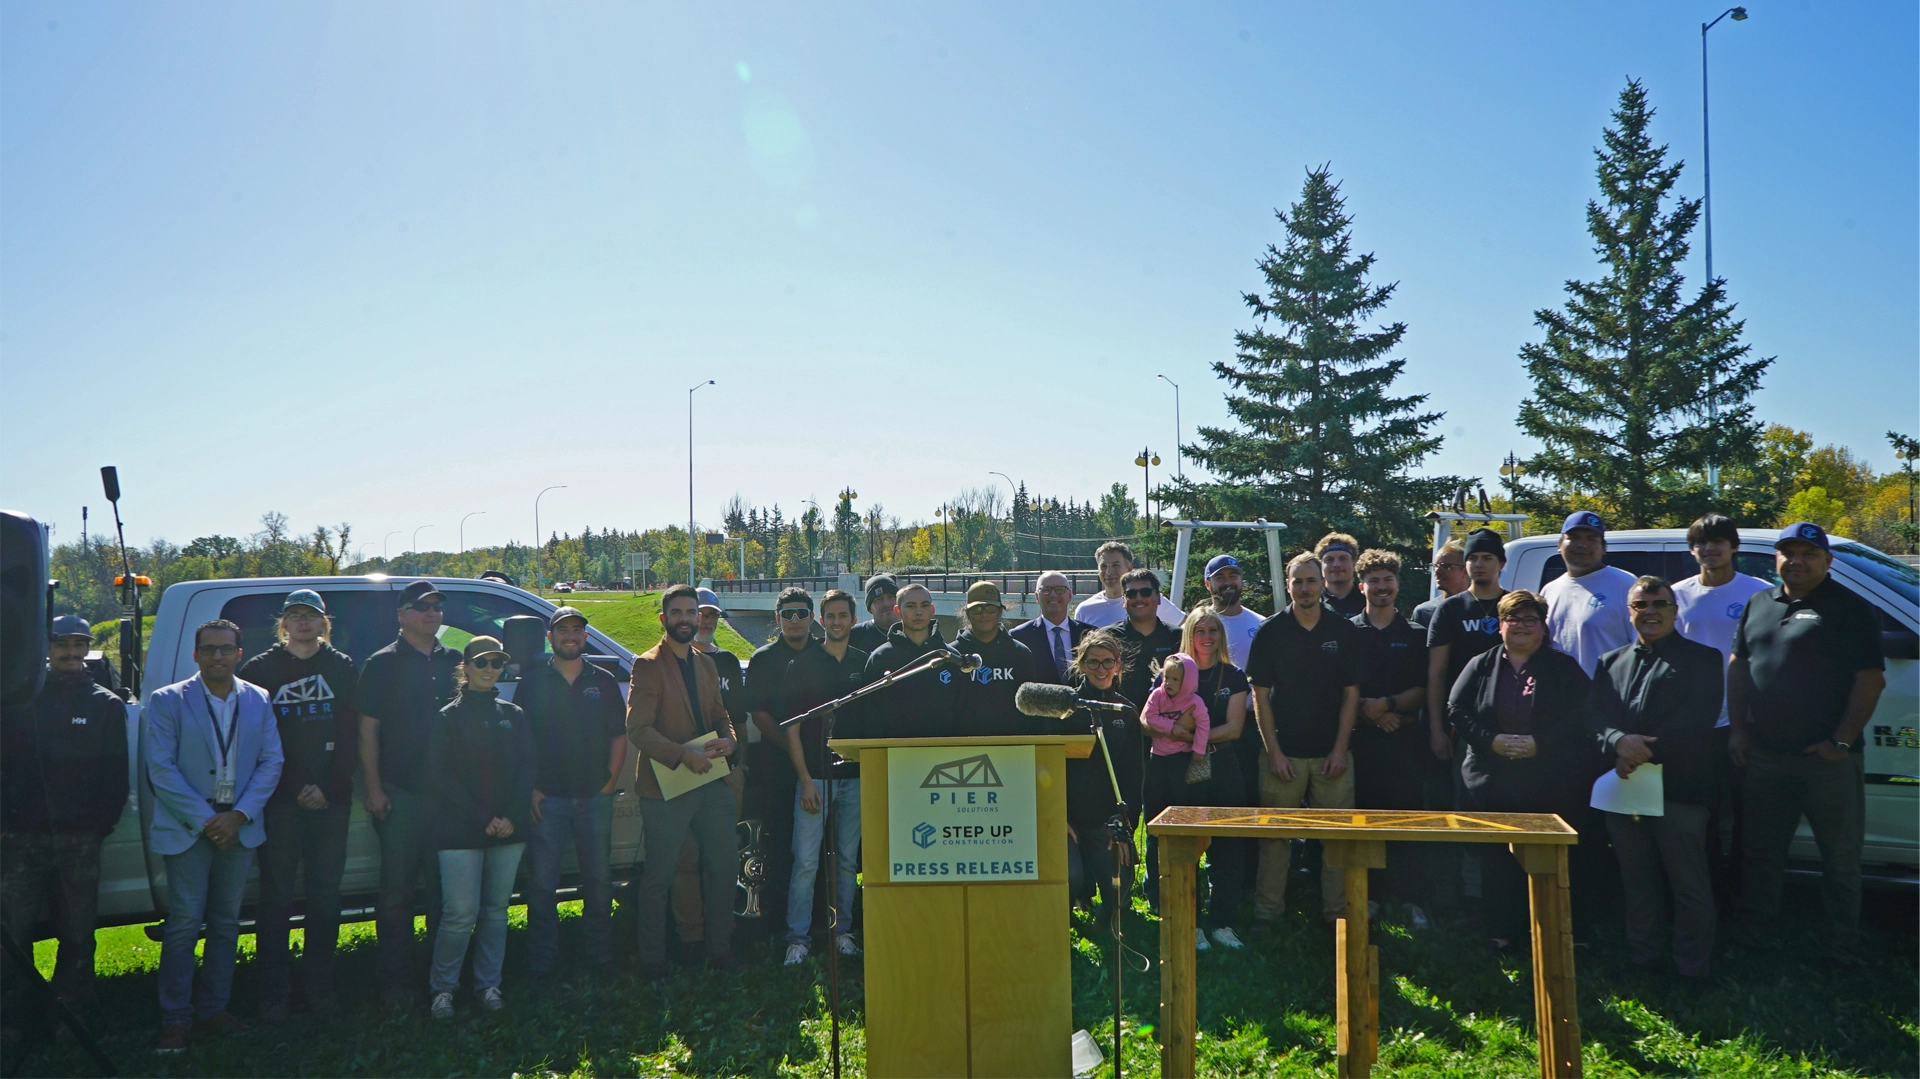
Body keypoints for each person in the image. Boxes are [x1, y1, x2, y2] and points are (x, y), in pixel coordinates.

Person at [1728, 523, 1887, 965]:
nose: (1795, 561)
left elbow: (1870, 679)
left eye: (1807, 554)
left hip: (1827, 760)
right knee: (1760, 855)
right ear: (1775, 558)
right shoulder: (1759, 603)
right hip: (1765, 757)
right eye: (1787, 553)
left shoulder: (1850, 608)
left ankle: (1840, 946)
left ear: (1827, 560)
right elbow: (1739, 666)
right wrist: (1740, 729)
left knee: (1840, 860)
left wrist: (1841, 740)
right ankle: (1754, 936)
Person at [143, 619, 283, 1053]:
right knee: (184, 925)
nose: (217, 656)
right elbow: (161, 770)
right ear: (196, 655)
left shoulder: (258, 698)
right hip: (191, 827)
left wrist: (239, 815)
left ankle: (214, 1010)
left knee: (226, 923)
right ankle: (176, 1019)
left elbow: (271, 762)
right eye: (209, 649)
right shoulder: (167, 701)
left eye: (226, 649)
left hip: (238, 827)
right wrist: (208, 820)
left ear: (239, 654)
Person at [1587, 576, 1723, 981]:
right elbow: (1593, 717)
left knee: (1688, 885)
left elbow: (1699, 718)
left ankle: (1692, 970)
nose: (1649, 612)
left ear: (1674, 609)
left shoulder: (1703, 658)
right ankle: (1643, 961)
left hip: (1679, 788)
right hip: (1624, 787)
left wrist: (1641, 751)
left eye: (1659, 604)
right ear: (1629, 612)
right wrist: (1617, 742)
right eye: (1639, 605)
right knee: (1637, 881)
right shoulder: (1611, 662)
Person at [0, 616, 128, 1034]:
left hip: (79, 841)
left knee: (77, 934)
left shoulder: (105, 704)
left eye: (79, 644)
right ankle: (14, 1018)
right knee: (12, 937)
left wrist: (96, 829)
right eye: (61, 645)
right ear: (45, 649)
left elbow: (116, 779)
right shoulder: (20, 701)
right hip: (21, 841)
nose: (71, 652)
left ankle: (69, 1016)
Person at [235, 590, 358, 1021]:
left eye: (311, 616)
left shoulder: (341, 668)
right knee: (276, 900)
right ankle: (274, 994)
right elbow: (255, 741)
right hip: (280, 802)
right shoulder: (260, 670)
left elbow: (351, 737)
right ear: (283, 624)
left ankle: (321, 990)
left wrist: (326, 786)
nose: (303, 622)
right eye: (295, 616)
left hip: (332, 799)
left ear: (324, 623)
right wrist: (297, 785)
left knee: (326, 898)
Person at [1448, 591, 1594, 949]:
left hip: (1549, 780)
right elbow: (1456, 709)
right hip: (1493, 779)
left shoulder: (1563, 668)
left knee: (1551, 859)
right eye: (1513, 619)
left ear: (1543, 628)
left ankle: (1558, 934)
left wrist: (1540, 742)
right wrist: (1490, 740)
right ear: (1500, 626)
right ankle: (1500, 934)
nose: (1521, 627)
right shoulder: (1481, 664)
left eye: (1531, 620)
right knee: (1496, 861)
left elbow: (1583, 716)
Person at [627, 584, 741, 981]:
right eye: (677, 612)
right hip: (666, 783)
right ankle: (653, 960)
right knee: (660, 875)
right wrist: (682, 755)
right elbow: (637, 729)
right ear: (664, 619)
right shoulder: (647, 665)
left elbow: (719, 714)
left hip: (710, 779)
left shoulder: (707, 663)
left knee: (725, 865)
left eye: (691, 612)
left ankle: (719, 949)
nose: (685, 619)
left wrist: (730, 739)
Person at [357, 579, 462, 1006]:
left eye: (437, 606)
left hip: (450, 799)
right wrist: (374, 788)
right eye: (422, 607)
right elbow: (368, 731)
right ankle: (396, 985)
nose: (432, 613)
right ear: (401, 615)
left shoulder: (456, 660)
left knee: (445, 895)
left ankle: (442, 984)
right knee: (397, 895)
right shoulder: (381, 664)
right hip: (401, 796)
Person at [425, 637, 534, 1019]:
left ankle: (488, 985)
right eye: (483, 662)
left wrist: (509, 816)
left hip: (509, 828)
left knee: (495, 912)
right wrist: (483, 816)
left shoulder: (514, 713)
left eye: (497, 663)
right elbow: (441, 777)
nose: (490, 669)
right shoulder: (447, 717)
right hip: (459, 830)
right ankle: (443, 990)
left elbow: (526, 769)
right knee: (459, 913)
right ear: (465, 667)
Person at [1248, 553, 1360, 924]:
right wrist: (1274, 753)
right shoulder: (1270, 632)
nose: (1305, 588)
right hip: (1284, 756)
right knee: (1275, 840)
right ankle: (1268, 914)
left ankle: (1336, 916)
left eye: (1312, 581)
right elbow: (1260, 697)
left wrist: (1340, 750)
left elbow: (1351, 695)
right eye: (1298, 581)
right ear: (1287, 585)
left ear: (1323, 583)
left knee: (1337, 841)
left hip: (1333, 756)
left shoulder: (1343, 631)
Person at [516, 606, 627, 980]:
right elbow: (518, 742)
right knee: (543, 884)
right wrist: (529, 788)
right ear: (550, 638)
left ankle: (600, 957)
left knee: (598, 881)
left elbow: (618, 735)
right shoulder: (530, 684)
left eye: (578, 630)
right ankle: (542, 964)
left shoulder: (605, 682)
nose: (571, 636)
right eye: (563, 630)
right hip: (547, 799)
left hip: (595, 796)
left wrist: (610, 782)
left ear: (585, 636)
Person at [1672, 513, 1771, 895]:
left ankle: (1745, 891)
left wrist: (1746, 720)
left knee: (1748, 814)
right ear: (1691, 549)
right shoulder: (1678, 595)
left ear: (1734, 547)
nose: (1709, 548)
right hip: (1697, 724)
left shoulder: (1757, 592)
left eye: (1718, 541)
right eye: (1701, 542)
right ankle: (1709, 891)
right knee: (1704, 814)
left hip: (1744, 718)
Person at [1143, 609, 1253, 949]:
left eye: (1214, 630)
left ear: (1221, 636)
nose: (1207, 636)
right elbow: (1147, 720)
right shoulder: (1170, 672)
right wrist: (1177, 733)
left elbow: (1234, 728)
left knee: (1229, 845)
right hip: (1174, 770)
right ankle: (1185, 920)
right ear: (1188, 634)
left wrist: (1191, 737)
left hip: (1220, 766)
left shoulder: (1233, 675)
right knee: (1179, 845)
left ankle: (1221, 922)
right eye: (1200, 630)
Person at [779, 589, 869, 965]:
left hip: (854, 779)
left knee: (848, 861)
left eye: (843, 615)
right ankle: (797, 939)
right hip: (814, 779)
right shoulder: (802, 665)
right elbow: (793, 730)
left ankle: (842, 933)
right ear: (821, 619)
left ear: (852, 619)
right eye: (829, 616)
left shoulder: (864, 664)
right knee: (806, 862)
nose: (836, 622)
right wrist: (804, 780)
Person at [1347, 550, 1433, 928]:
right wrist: (1372, 711)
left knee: (1407, 820)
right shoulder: (1347, 632)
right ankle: (1369, 897)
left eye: (1388, 580)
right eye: (1374, 581)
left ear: (1398, 584)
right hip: (1361, 743)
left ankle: (1412, 900)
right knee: (1364, 820)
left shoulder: (1415, 634)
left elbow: (1425, 687)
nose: (1381, 587)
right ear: (1361, 585)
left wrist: (1389, 706)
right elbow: (1342, 687)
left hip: (1405, 741)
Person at [740, 586, 820, 941]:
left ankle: (819, 918)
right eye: (788, 614)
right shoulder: (763, 658)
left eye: (802, 613)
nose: (795, 620)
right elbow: (758, 714)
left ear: (812, 617)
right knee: (779, 845)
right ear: (777, 619)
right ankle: (775, 923)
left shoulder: (825, 654)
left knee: (818, 848)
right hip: (777, 768)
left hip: (820, 767)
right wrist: (793, 749)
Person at [1057, 629, 1135, 918]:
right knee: (1071, 880)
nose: (1100, 669)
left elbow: (1132, 777)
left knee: (1121, 900)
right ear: (1081, 665)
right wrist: (1058, 816)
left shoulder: (1126, 712)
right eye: (1092, 662)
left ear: (1117, 664)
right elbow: (1047, 769)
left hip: (1107, 823)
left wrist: (1124, 828)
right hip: (1068, 820)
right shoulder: (1064, 710)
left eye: (1107, 662)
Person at [1426, 528, 1509, 765]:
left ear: (1501, 562)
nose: (1479, 564)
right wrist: (1436, 729)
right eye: (1472, 558)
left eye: (1487, 558)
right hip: (1460, 720)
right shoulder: (1449, 610)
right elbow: (1436, 673)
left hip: (1507, 719)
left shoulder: (1513, 606)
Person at [1540, 511, 1637, 676]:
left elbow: (1642, 647)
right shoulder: (1549, 590)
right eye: (1574, 537)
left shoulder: (1626, 585)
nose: (1582, 544)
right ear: (1560, 544)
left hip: (1609, 695)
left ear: (1604, 547)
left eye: (1591, 539)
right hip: (1561, 695)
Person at [863, 584, 966, 738]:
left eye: (924, 606)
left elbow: (962, 711)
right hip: (893, 754)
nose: (918, 612)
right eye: (911, 606)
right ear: (898, 611)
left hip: (944, 753)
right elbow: (870, 714)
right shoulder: (881, 658)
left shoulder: (951, 657)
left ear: (932, 609)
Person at [955, 581, 1048, 736]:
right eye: (977, 609)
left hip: (1012, 748)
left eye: (990, 608)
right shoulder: (953, 654)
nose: (984, 614)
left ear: (1000, 611)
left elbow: (1033, 711)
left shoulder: (1020, 653)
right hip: (963, 747)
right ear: (967, 613)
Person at [1075, 541, 1183, 628]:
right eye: (1103, 566)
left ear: (1129, 568)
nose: (1108, 572)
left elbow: (1185, 624)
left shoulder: (1148, 599)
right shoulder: (1085, 609)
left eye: (1115, 565)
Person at [1011, 570, 1094, 683]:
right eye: (1046, 590)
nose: (1053, 595)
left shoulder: (1090, 634)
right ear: (1036, 596)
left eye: (1060, 589)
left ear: (1070, 595)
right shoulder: (1019, 636)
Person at [1115, 569, 1181, 710]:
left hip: (1167, 725)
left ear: (1158, 597)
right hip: (1120, 723)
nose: (1138, 598)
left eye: (1145, 592)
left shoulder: (1178, 637)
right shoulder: (1108, 637)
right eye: (1131, 594)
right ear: (1123, 600)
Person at [1202, 555, 1265, 670]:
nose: (1228, 582)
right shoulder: (1198, 626)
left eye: (1233, 576)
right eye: (1219, 578)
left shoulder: (1260, 623)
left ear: (1241, 579)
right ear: (1207, 584)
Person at [1410, 540, 1467, 630]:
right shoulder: (1424, 613)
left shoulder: (1478, 611)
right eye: (1435, 566)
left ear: (1465, 571)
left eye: (1445, 566)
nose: (1437, 572)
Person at [1315, 533, 1367, 618]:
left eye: (1343, 559)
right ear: (1320, 565)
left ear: (1354, 563)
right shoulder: (1313, 602)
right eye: (1329, 560)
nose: (1336, 565)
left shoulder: (1368, 600)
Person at [848, 575, 899, 654]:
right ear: (869, 608)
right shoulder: (854, 636)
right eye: (878, 599)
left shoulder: (913, 632)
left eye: (891, 597)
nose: (887, 603)